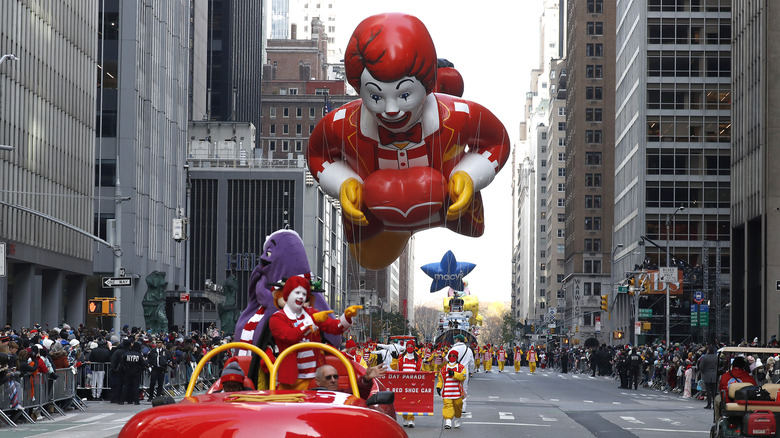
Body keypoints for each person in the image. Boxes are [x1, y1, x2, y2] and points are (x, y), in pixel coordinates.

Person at [307, 13, 510, 270]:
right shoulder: (342, 124)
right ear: (360, 90)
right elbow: (317, 153)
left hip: (452, 210)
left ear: (428, 84)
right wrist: (343, 183)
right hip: (376, 228)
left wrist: (469, 175)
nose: (391, 110)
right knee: (369, 259)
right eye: (376, 97)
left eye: (404, 95)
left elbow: (498, 141)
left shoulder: (460, 115)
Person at [269, 276, 361, 390]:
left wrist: (346, 317)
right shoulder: (277, 318)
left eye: (304, 294)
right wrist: (311, 321)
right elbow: (290, 336)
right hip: (292, 380)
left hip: (317, 378)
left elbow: (334, 328)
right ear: (288, 294)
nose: (301, 297)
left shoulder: (311, 313)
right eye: (297, 292)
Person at [313, 363, 387, 400]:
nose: (333, 380)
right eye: (328, 377)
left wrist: (366, 379)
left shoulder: (344, 395)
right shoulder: (310, 398)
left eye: (335, 377)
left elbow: (359, 393)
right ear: (318, 381)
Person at [395, 340, 422, 428]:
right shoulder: (401, 357)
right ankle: (405, 417)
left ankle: (411, 419)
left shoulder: (418, 357)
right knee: (404, 400)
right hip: (403, 382)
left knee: (412, 401)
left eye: (411, 346)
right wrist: (394, 360)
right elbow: (396, 368)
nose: (409, 347)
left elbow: (419, 370)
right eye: (408, 346)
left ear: (414, 347)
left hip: (413, 382)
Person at [437, 350, 466, 429]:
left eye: (454, 356)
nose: (452, 357)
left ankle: (457, 418)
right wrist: (439, 387)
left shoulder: (461, 367)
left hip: (457, 392)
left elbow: (463, 376)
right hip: (447, 392)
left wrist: (454, 374)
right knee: (447, 406)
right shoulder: (444, 368)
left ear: (456, 357)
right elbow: (440, 380)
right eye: (450, 356)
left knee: (458, 405)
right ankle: (448, 421)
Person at [448, 334, 475, 412]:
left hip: (454, 370)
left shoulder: (453, 349)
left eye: (456, 339)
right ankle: (463, 407)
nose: (455, 340)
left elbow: (447, 358)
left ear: (458, 340)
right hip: (464, 371)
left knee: (453, 388)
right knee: (464, 388)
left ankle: (453, 405)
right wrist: (471, 371)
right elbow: (472, 363)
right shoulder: (468, 350)